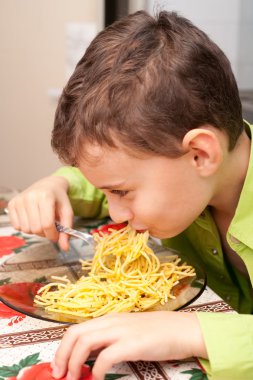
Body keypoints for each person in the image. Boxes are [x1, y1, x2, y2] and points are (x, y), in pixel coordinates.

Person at [7, 10, 253, 380]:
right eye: (110, 192)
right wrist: (56, 185)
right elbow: (96, 179)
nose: (116, 213)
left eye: (121, 192)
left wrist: (195, 332)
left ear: (201, 154)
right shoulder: (188, 176)